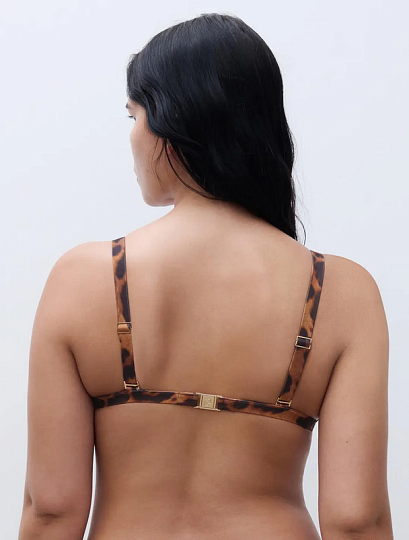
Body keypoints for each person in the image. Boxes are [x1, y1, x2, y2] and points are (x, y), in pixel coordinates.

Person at [18, 12, 393, 540]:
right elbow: (357, 520)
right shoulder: (342, 293)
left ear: (171, 122)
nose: (133, 137)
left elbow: (52, 509)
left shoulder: (81, 280)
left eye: (134, 115)